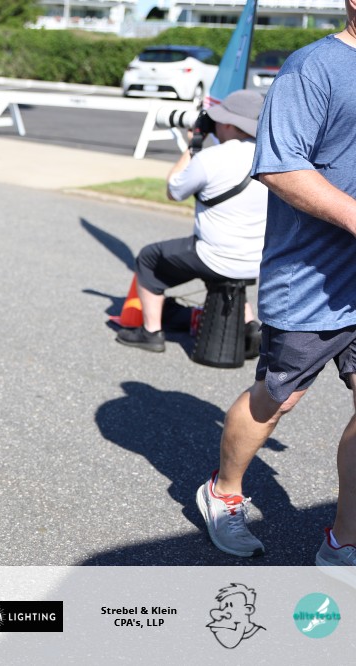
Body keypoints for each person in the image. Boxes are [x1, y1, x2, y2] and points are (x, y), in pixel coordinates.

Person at [196, 5, 356, 575]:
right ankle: (224, 492)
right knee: (277, 398)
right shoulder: (313, 68)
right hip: (311, 279)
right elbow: (281, 166)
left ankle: (344, 540)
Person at [116, 89, 267, 354]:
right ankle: (248, 324)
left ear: (228, 124)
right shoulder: (271, 157)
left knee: (149, 258)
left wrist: (194, 145)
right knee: (222, 267)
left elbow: (173, 191)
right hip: (256, 261)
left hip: (215, 257)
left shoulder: (211, 158)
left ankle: (151, 332)